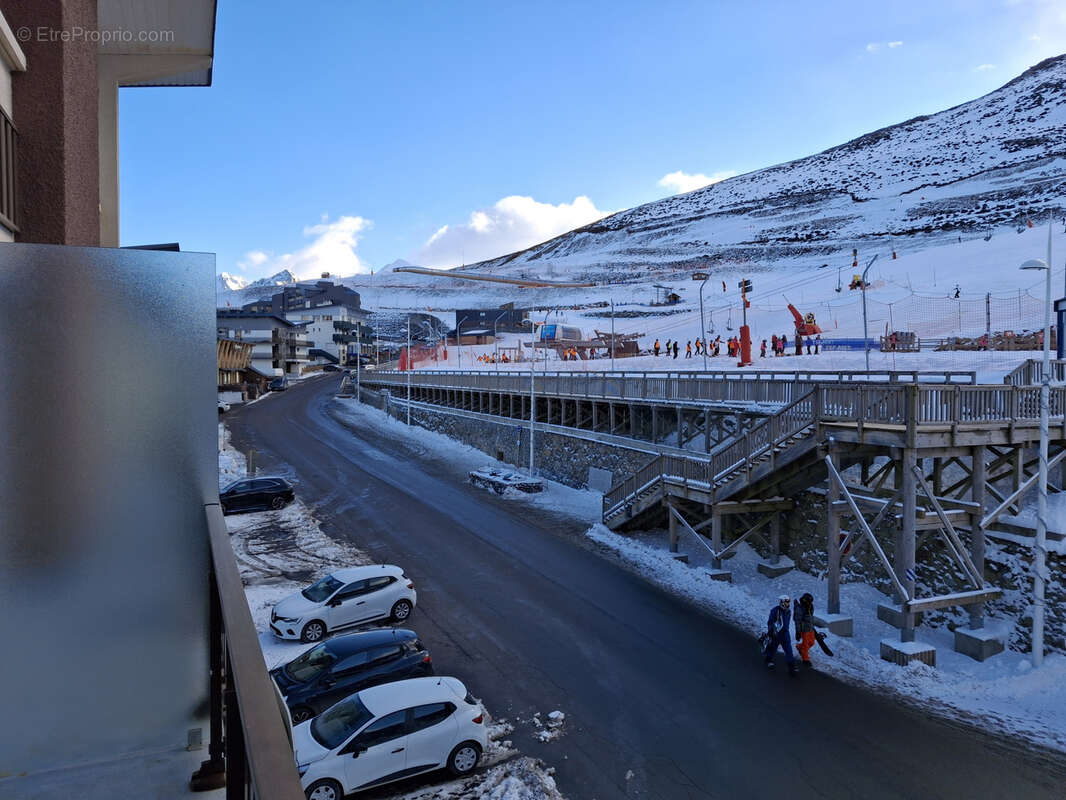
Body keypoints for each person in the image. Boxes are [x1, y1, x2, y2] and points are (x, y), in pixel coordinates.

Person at [764, 595, 799, 675]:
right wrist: (771, 630)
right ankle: (768, 659)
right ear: (782, 602)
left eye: (789, 601)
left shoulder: (788, 611)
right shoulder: (775, 610)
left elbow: (787, 623)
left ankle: (791, 666)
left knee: (788, 650)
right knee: (773, 648)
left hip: (785, 634)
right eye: (787, 601)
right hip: (776, 633)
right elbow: (770, 622)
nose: (788, 603)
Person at [794, 593, 816, 667]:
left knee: (812, 642)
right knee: (806, 645)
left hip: (810, 628)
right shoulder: (800, 609)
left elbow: (810, 617)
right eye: (809, 602)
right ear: (805, 601)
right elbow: (797, 621)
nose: (811, 603)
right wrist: (798, 632)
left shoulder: (809, 606)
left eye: (811, 602)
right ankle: (805, 659)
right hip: (804, 630)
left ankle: (800, 647)